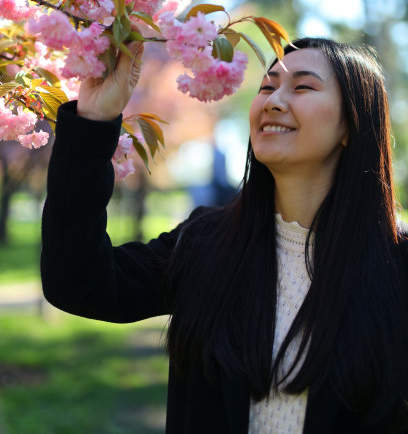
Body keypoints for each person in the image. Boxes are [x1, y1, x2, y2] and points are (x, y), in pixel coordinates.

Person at [41, 36, 408, 434]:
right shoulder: (206, 244)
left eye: (302, 87)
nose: (273, 101)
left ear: (353, 125)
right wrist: (92, 122)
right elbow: (77, 281)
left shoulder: (398, 265)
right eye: (267, 87)